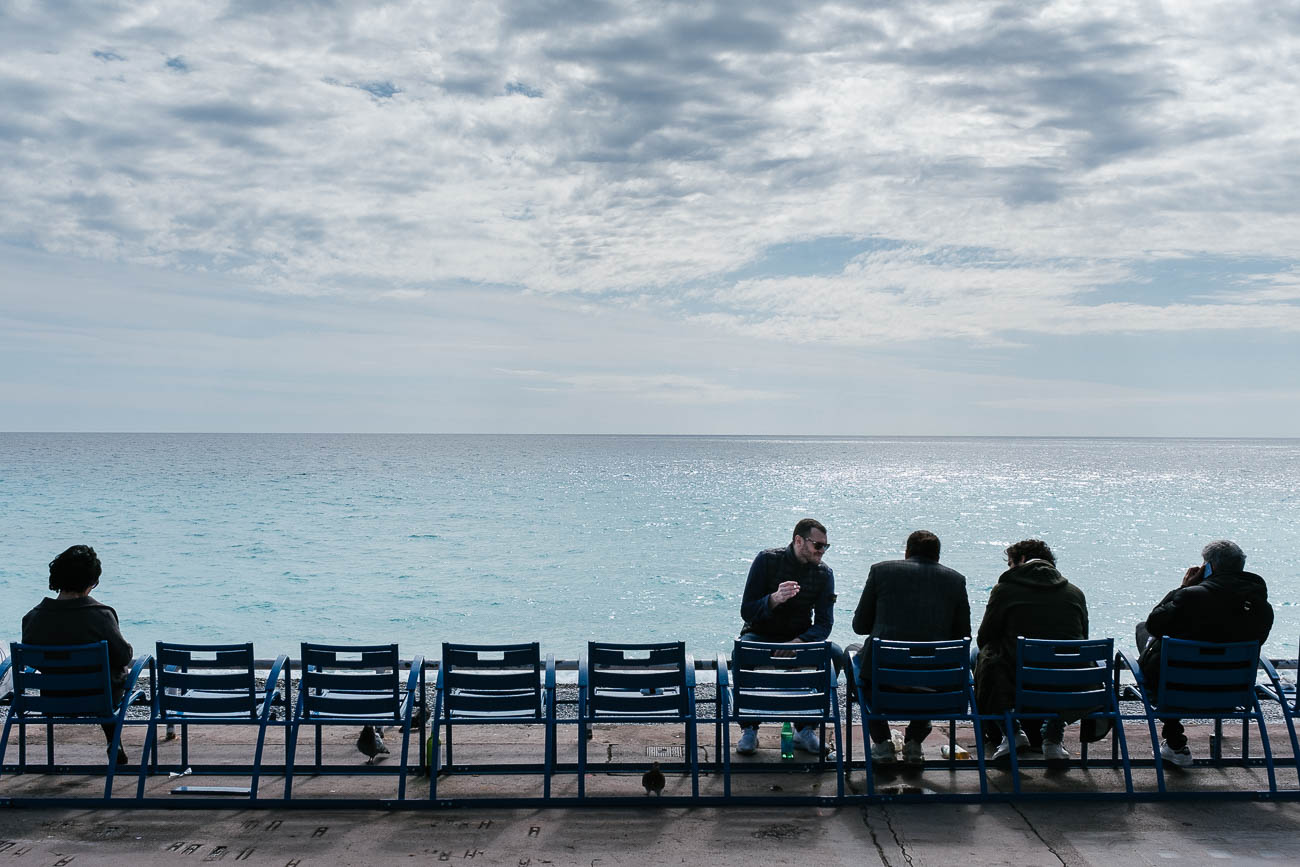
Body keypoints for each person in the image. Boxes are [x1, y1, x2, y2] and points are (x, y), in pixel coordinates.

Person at [1137, 540, 1273, 767]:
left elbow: (1154, 623)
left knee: (1144, 630)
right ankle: (1174, 744)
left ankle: (1175, 743)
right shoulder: (1261, 605)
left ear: (1209, 567)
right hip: (1231, 692)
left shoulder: (1190, 597)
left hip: (1177, 689)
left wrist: (1182, 587)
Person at [851, 530, 970, 765]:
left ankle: (882, 742)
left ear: (907, 553)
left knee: (852, 654)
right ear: (938, 557)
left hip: (885, 685)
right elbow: (962, 635)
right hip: (935, 689)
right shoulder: (956, 580)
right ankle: (914, 742)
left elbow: (859, 625)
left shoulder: (881, 571)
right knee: (931, 667)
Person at [974, 539, 1087, 762]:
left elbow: (984, 637)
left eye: (1010, 564)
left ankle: (1011, 731)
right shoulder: (1075, 593)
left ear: (1022, 560)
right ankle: (1053, 738)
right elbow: (1082, 640)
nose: (1009, 570)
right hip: (1068, 683)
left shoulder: (1005, 590)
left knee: (980, 655)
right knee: (1063, 661)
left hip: (1016, 683)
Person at [20, 544, 134, 764]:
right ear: (93, 582)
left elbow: (33, 660)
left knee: (94, 675)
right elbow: (123, 656)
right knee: (108, 674)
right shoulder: (101, 615)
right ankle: (113, 739)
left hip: (52, 698)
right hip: (99, 699)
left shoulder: (32, 618)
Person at [735, 518, 840, 756]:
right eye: (817, 545)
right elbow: (747, 610)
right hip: (762, 634)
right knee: (743, 649)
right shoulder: (767, 560)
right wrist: (773, 599)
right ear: (798, 540)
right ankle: (749, 728)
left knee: (833, 654)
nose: (822, 551)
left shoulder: (824, 574)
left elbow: (825, 623)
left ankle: (805, 729)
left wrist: (800, 642)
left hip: (798, 639)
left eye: (826, 546)